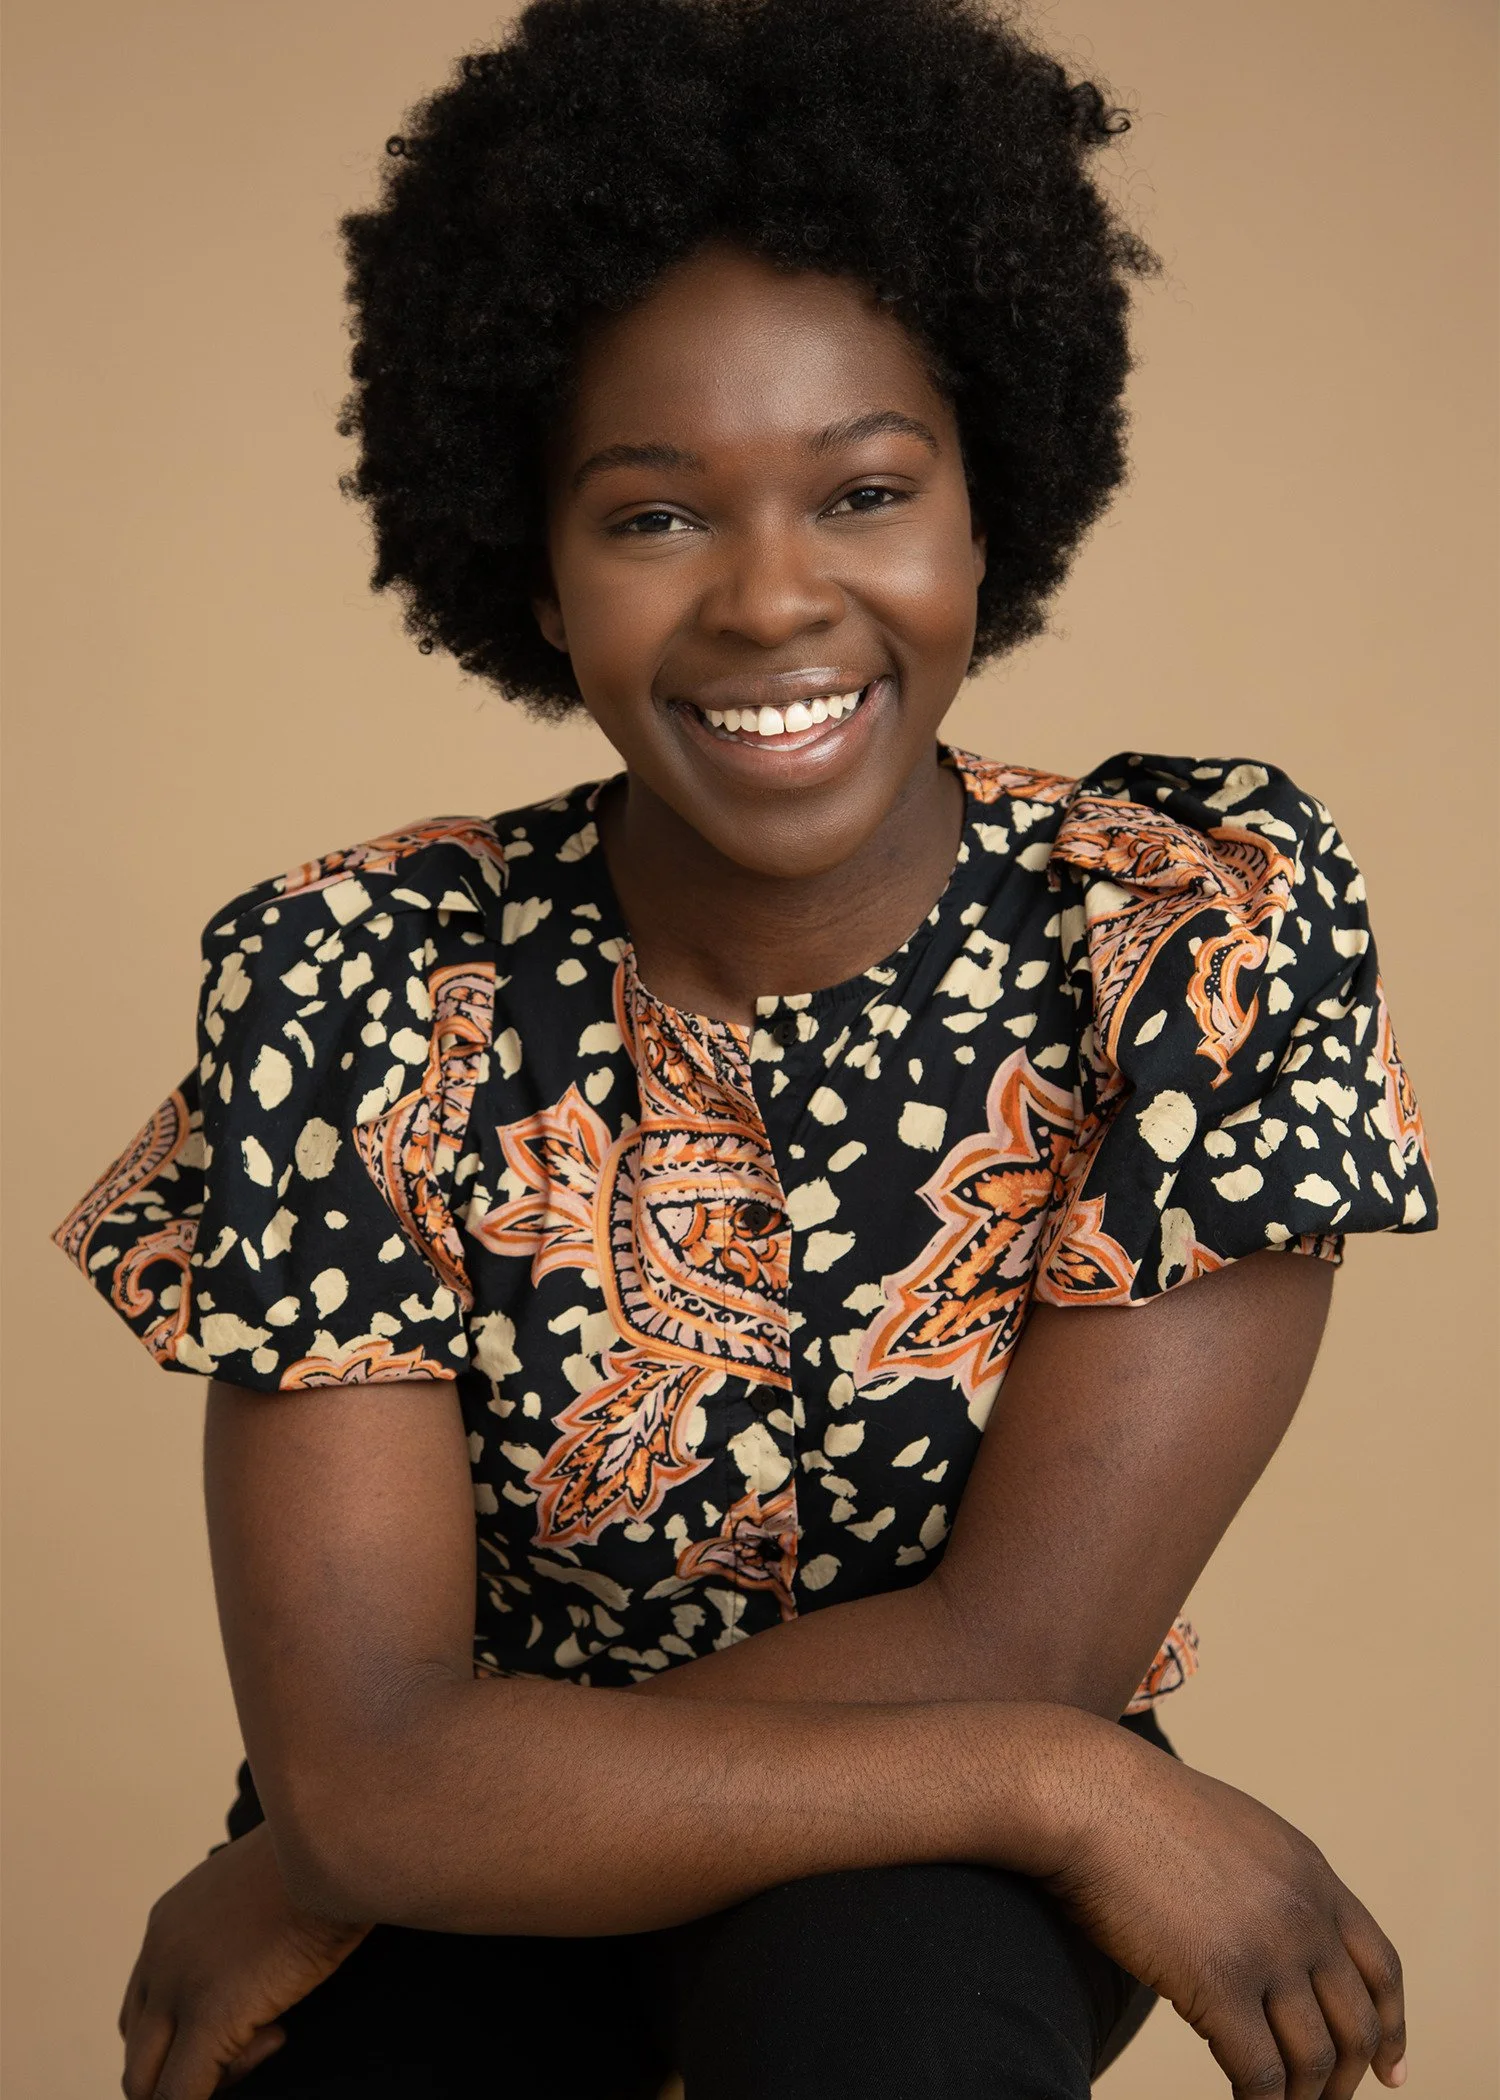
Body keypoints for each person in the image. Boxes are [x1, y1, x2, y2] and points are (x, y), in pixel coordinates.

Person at [54, 2, 1437, 2095]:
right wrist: (1076, 1786)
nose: (774, 602)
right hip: (491, 1876)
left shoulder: (1189, 934)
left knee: (885, 2031)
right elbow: (369, 1755)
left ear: (987, 508)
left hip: (913, 1858)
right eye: (655, 517)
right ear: (536, 570)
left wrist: (363, 1833)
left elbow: (1019, 1653)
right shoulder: (357, 984)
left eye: (865, 490)